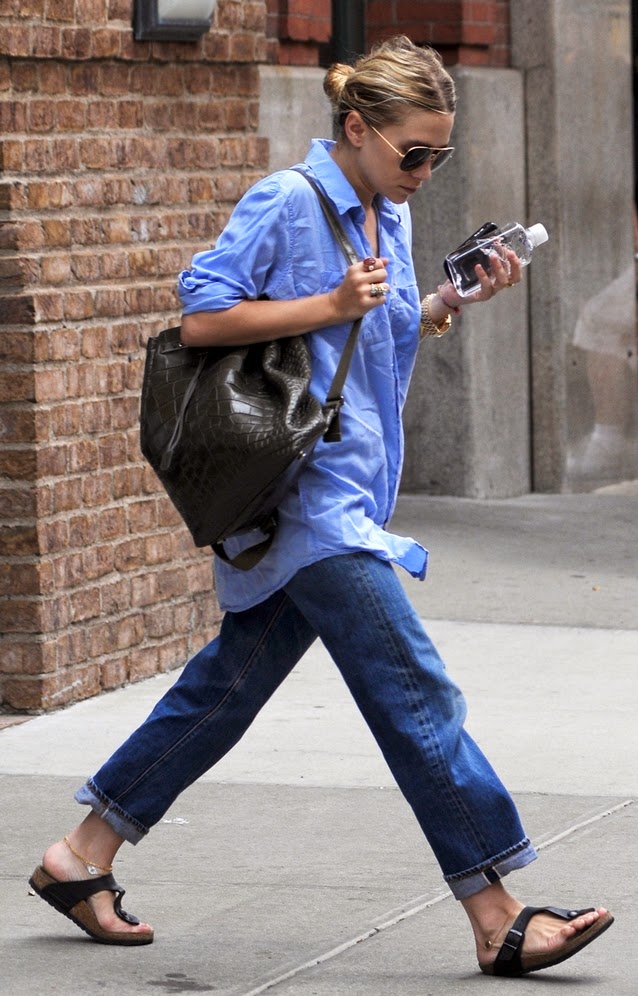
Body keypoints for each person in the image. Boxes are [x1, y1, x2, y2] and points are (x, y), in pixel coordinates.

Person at [30, 36, 613, 977]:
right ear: (356, 128)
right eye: (412, 151)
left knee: (227, 689)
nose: (425, 171)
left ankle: (81, 854)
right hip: (307, 499)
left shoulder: (390, 212)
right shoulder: (287, 201)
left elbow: (374, 334)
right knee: (416, 696)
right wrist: (328, 303)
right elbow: (201, 318)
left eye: (440, 155)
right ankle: (498, 912)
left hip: (350, 493)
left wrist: (443, 302)